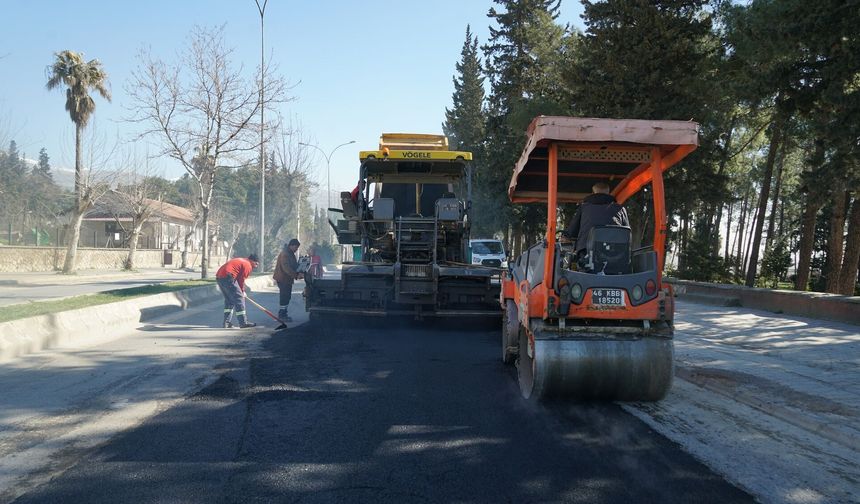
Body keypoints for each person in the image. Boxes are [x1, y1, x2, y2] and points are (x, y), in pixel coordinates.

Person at [563, 182, 629, 256]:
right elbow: (626, 233)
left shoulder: (584, 208)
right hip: (614, 253)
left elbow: (572, 231)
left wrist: (566, 235)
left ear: (592, 193)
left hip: (586, 252)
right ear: (608, 194)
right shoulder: (620, 209)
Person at [216, 254, 260, 328]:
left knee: (229, 300)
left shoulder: (243, 261)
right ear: (252, 261)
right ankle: (243, 322)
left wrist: (241, 290)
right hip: (228, 277)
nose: (256, 266)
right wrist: (242, 292)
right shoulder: (248, 265)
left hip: (220, 277)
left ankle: (226, 323)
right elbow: (241, 280)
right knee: (239, 298)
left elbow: (239, 279)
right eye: (256, 264)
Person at [273, 238, 302, 329]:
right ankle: (282, 314)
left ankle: (284, 312)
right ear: (292, 245)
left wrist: (300, 269)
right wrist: (295, 275)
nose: (296, 249)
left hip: (287, 279)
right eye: (296, 247)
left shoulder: (290, 254)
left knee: (287, 296)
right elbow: (286, 268)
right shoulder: (285, 254)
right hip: (283, 279)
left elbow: (294, 265)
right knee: (284, 296)